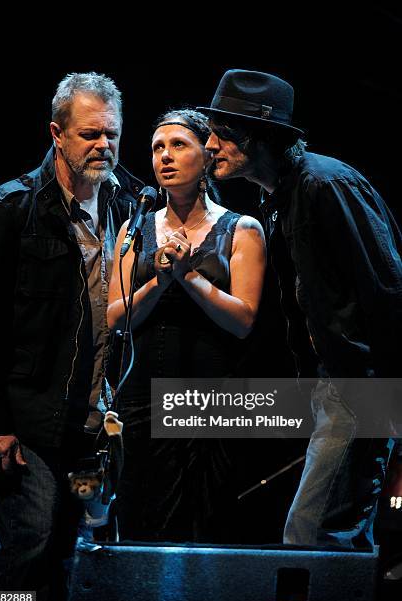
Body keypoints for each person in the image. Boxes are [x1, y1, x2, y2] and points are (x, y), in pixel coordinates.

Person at [198, 69, 402, 549]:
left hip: (360, 388)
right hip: (337, 386)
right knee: (335, 537)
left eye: (222, 134)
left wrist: (388, 394)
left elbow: (388, 289)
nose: (209, 145)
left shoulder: (325, 185)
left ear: (261, 137)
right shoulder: (280, 197)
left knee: (311, 536)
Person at [0, 72, 142, 601]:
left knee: (83, 553)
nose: (103, 145)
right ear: (57, 134)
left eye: (112, 134)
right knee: (28, 545)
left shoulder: (131, 205)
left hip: (98, 418)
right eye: (90, 134)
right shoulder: (10, 207)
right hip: (31, 417)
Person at [107, 108, 266, 542]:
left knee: (201, 517)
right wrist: (159, 283)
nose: (165, 156)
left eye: (178, 145)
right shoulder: (133, 228)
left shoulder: (241, 228)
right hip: (140, 395)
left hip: (210, 392)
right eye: (158, 147)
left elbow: (244, 321)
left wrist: (189, 277)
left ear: (207, 155)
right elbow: (115, 317)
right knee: (141, 514)